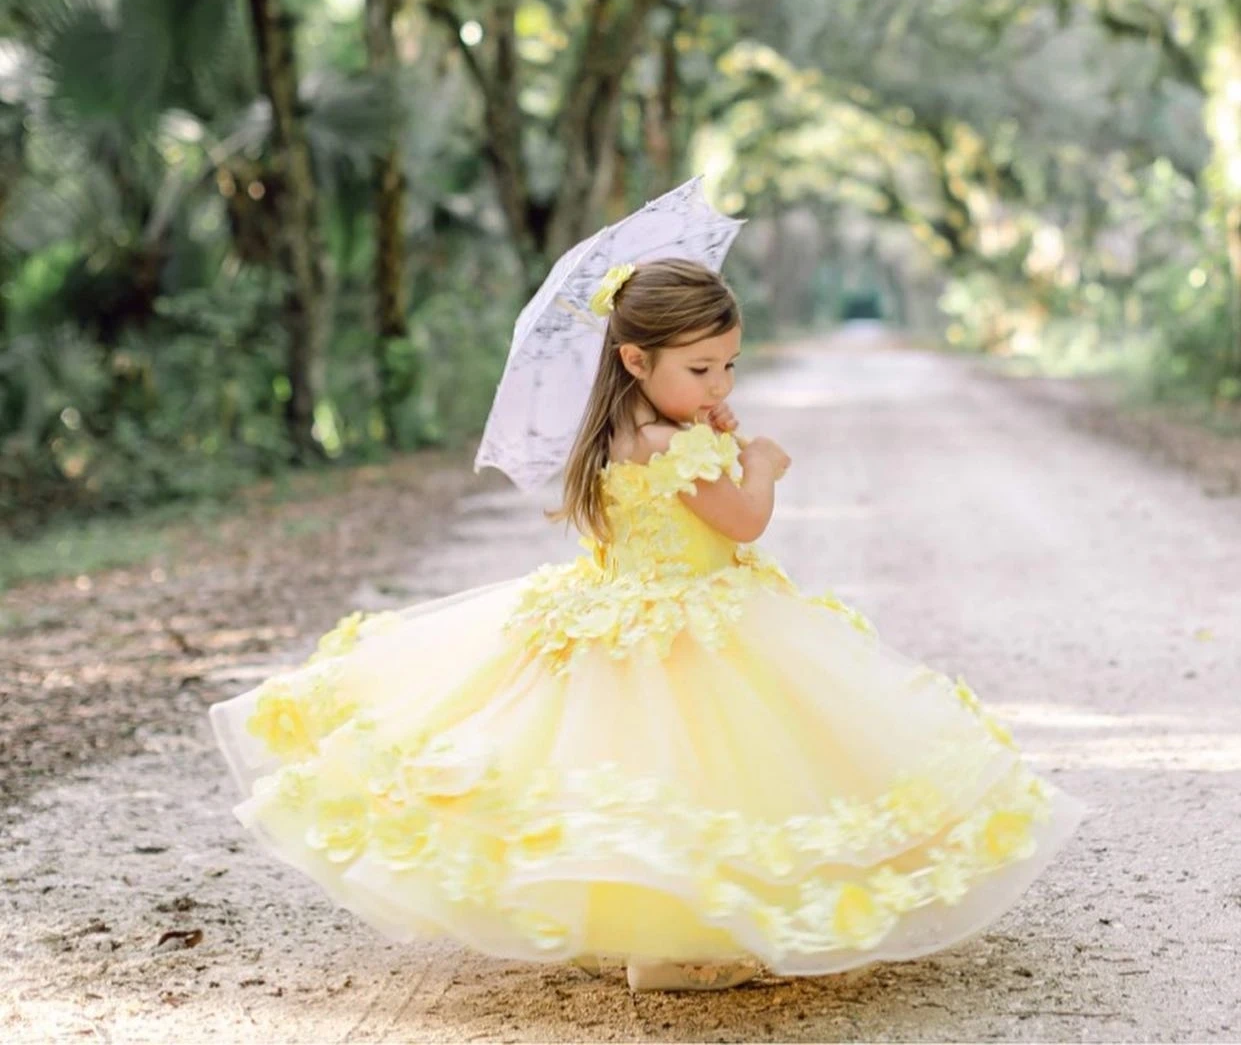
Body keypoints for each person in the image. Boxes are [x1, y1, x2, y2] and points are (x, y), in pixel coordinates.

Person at [209, 257, 1087, 994]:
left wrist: (716, 429)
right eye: (700, 369)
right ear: (634, 357)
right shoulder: (671, 445)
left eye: (729, 366)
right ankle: (677, 948)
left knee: (625, 776)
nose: (719, 384)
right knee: (703, 772)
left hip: (629, 610)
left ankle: (641, 923)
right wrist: (762, 463)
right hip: (694, 624)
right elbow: (741, 522)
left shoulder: (621, 430)